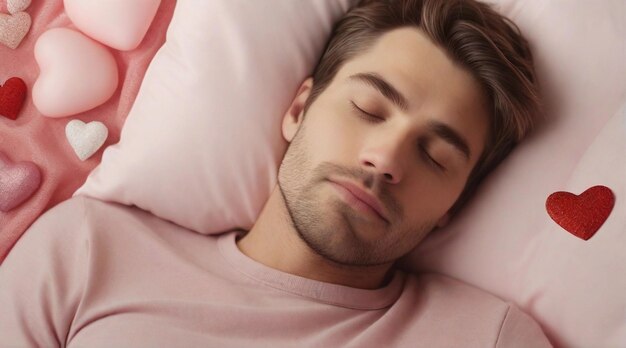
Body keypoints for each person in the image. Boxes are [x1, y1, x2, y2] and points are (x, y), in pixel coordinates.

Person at [0, 0, 551, 346]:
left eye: (436, 157)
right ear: (297, 110)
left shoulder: (490, 337)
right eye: (368, 110)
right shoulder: (88, 249)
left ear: (452, 206)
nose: (385, 159)